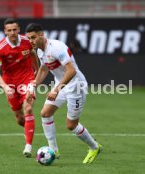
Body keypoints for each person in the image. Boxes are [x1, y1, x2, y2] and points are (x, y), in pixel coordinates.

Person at [26, 23, 102, 164]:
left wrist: (56, 90)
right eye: (29, 38)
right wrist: (33, 87)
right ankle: (53, 150)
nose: (31, 41)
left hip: (75, 86)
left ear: (41, 35)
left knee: (71, 125)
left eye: (34, 37)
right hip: (61, 85)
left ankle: (94, 147)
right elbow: (43, 69)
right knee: (45, 113)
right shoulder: (39, 51)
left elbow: (71, 71)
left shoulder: (56, 47)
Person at [0, 18, 39, 157]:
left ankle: (28, 146)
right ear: (5, 31)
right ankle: (30, 129)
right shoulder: (0, 48)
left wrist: (36, 71)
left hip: (27, 80)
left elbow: (33, 54)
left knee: (28, 108)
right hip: (10, 84)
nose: (12, 32)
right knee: (19, 118)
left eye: (15, 29)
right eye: (9, 30)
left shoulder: (27, 41)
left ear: (19, 29)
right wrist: (5, 87)